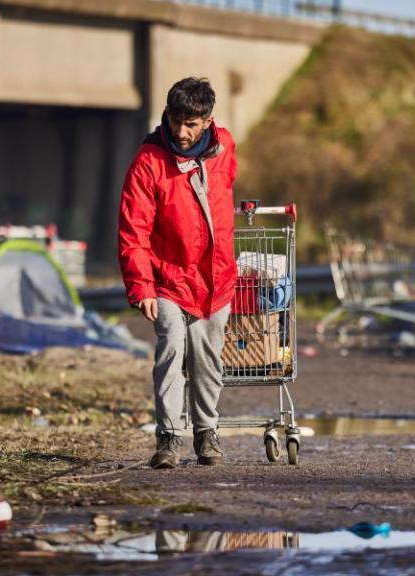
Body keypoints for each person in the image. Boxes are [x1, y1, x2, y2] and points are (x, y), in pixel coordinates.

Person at [118, 77, 237, 468]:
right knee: (171, 348)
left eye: (192, 124)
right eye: (176, 121)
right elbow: (133, 229)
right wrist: (142, 287)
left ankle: (206, 433)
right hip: (167, 279)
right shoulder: (148, 162)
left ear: (207, 121)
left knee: (207, 357)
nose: (182, 132)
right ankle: (169, 438)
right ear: (167, 115)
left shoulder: (225, 149)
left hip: (215, 280)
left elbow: (226, 191)